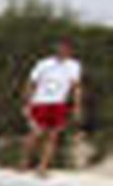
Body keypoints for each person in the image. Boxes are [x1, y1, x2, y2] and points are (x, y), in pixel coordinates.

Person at [21, 38, 83, 176]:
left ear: (70, 51)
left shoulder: (74, 66)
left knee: (53, 136)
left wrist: (77, 106)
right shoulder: (44, 64)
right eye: (60, 48)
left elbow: (76, 87)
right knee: (36, 134)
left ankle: (42, 167)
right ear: (56, 49)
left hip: (59, 103)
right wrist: (26, 103)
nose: (63, 51)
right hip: (40, 101)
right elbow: (31, 83)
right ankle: (24, 163)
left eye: (66, 49)